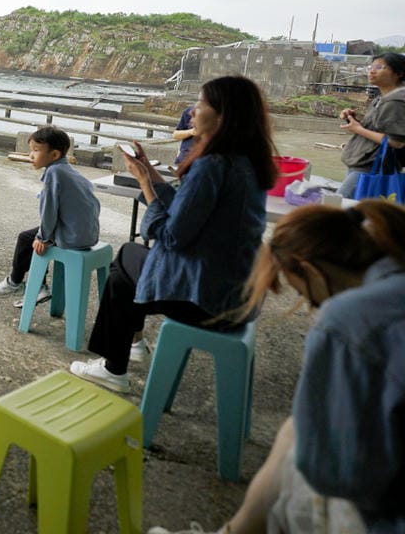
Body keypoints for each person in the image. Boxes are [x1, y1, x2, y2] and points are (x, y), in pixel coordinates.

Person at [150, 200, 405, 534]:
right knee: (295, 430)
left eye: (309, 297)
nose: (315, 308)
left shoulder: (346, 320)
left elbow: (330, 474)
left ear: (310, 270)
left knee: (293, 463)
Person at [70, 75, 277, 392]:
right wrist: (151, 175)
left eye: (203, 103)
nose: (194, 111)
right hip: (240, 294)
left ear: (224, 115)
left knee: (123, 266)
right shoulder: (246, 162)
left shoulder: (213, 165)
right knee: (130, 261)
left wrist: (143, 184)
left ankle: (114, 368)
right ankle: (133, 345)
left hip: (210, 301)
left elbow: (169, 236)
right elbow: (188, 210)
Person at [0, 126, 100, 308]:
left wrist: (44, 237)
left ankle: (16, 282)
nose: (31, 155)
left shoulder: (53, 173)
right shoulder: (69, 171)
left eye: (36, 150)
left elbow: (49, 211)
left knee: (27, 239)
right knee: (34, 238)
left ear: (55, 155)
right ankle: (36, 285)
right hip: (87, 233)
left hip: (72, 236)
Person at [337, 52, 405, 199]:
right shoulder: (381, 99)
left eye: (380, 67)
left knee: (340, 206)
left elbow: (396, 142)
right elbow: (378, 129)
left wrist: (358, 129)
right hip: (363, 163)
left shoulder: (396, 101)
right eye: (371, 67)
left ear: (399, 73)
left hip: (372, 167)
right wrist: (353, 120)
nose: (372, 71)